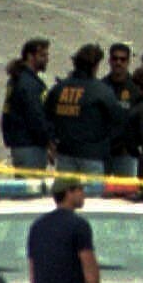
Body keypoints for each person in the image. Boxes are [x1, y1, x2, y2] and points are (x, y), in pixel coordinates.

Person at [51, 44, 123, 192]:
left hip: (65, 153)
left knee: (65, 196)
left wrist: (52, 141)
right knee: (92, 200)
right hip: (93, 155)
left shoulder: (59, 89)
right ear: (95, 66)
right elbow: (118, 120)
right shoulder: (101, 91)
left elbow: (46, 116)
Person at [2, 39, 54, 170]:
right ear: (30, 56)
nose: (47, 59)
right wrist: (49, 142)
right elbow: (36, 117)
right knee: (31, 182)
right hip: (30, 146)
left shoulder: (17, 79)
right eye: (42, 55)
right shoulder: (29, 84)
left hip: (20, 143)